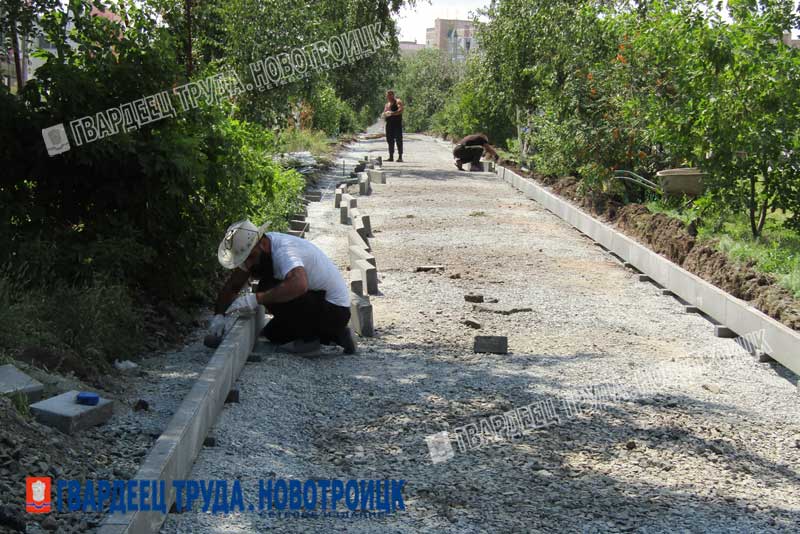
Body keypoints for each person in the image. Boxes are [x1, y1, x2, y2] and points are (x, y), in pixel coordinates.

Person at [208, 220, 356, 356]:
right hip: (318, 304)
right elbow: (233, 286)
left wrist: (255, 299)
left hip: (334, 311)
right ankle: (338, 336)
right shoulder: (258, 251)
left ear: (263, 244)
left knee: (265, 287)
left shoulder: (284, 251)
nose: (248, 265)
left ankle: (312, 341)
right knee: (273, 335)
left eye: (251, 258)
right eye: (244, 261)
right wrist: (219, 316)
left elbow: (300, 284)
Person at [383, 90, 404, 162]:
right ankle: (391, 157)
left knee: (399, 140)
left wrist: (392, 113)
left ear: (393, 95)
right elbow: (385, 113)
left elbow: (400, 110)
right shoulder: (387, 104)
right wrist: (385, 114)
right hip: (389, 124)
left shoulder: (398, 101)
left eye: (389, 95)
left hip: (397, 124)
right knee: (390, 140)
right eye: (387, 95)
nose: (388, 97)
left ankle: (400, 157)